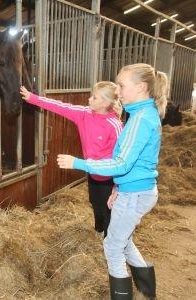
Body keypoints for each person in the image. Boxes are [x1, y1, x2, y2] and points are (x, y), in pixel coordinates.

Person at [57, 63, 168, 300]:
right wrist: (118, 186)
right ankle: (147, 292)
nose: (118, 92)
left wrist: (79, 163)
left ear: (141, 87)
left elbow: (121, 163)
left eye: (122, 85)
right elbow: (134, 162)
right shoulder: (141, 114)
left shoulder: (139, 120)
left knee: (112, 246)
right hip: (135, 189)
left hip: (135, 193)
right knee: (123, 241)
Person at [20, 81, 123, 237]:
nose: (89, 100)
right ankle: (98, 231)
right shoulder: (83, 114)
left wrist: (118, 185)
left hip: (109, 177)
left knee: (108, 208)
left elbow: (120, 157)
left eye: (94, 98)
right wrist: (32, 98)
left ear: (105, 103)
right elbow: (60, 106)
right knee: (95, 202)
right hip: (92, 173)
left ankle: (110, 240)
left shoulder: (114, 125)